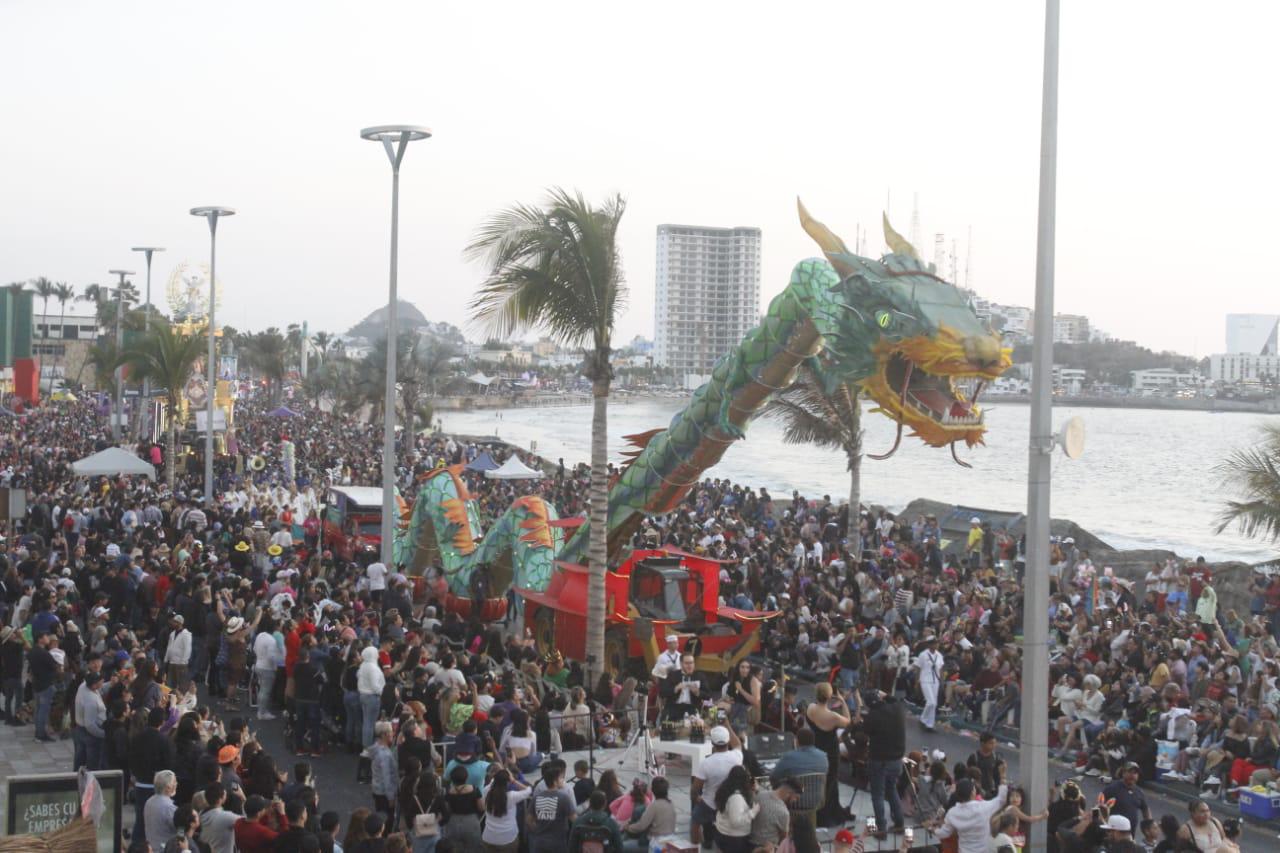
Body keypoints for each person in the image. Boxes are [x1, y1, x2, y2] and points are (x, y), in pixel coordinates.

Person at [804, 682, 850, 827]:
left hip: (815, 748)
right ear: (830, 696)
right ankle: (827, 814)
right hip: (831, 752)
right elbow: (848, 721)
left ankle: (820, 811)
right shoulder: (834, 717)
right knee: (831, 782)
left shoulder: (811, 708)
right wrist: (842, 701)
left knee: (819, 782)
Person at [862, 688, 906, 836]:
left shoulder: (872, 716)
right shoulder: (897, 708)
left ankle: (881, 828)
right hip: (896, 759)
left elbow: (865, 731)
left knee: (878, 795)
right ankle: (899, 823)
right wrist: (885, 694)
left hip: (879, 761)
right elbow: (895, 700)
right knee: (892, 790)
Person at [690, 725, 743, 847]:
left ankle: (695, 846)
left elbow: (695, 789)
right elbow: (738, 744)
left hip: (710, 804)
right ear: (728, 741)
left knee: (695, 821)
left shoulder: (706, 763)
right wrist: (727, 724)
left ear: (712, 743)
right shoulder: (736, 757)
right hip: (730, 802)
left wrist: (697, 799)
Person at [931, 777, 1008, 853]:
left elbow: (944, 833)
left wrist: (932, 829)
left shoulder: (953, 813)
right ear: (972, 793)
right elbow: (1001, 800)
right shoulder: (983, 807)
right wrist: (1002, 781)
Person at [528, 761, 576, 853]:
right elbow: (574, 819)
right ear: (555, 781)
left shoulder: (537, 798)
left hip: (540, 842)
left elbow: (529, 820)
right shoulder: (564, 798)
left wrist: (538, 830)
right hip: (558, 844)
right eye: (561, 778)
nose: (563, 780)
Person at [480, 767, 530, 852]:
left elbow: (493, 783)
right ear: (508, 782)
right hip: (508, 839)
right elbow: (528, 790)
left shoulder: (486, 791)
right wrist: (513, 780)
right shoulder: (511, 796)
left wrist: (498, 776)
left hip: (488, 837)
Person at [712, 766, 759, 853]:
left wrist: (754, 791)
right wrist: (753, 812)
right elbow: (736, 822)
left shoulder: (726, 789)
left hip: (724, 833)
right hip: (733, 839)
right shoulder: (736, 798)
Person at [621, 776, 674, 852]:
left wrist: (628, 827)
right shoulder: (670, 804)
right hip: (669, 840)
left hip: (656, 844)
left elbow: (641, 826)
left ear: (653, 790)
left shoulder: (654, 806)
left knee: (621, 846)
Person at [748, 776, 797, 852]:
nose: (795, 800)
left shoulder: (760, 795)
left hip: (750, 842)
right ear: (789, 793)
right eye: (796, 797)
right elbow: (783, 838)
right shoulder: (783, 812)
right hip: (769, 848)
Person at [1102, 762, 1151, 832]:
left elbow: (1145, 809)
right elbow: (1099, 806)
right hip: (1114, 833)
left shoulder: (1139, 792)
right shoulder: (1112, 789)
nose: (1132, 775)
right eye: (1130, 772)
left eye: (1135, 773)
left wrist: (1149, 826)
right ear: (1123, 773)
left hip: (1130, 834)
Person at [369, 721, 399, 827]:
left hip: (377, 789)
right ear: (384, 735)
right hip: (384, 793)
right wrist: (391, 797)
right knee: (387, 821)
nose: (393, 734)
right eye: (390, 732)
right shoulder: (385, 755)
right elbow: (386, 777)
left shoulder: (376, 749)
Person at [912, 636, 944, 731]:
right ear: (929, 644)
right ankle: (923, 719)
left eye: (937, 643)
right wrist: (916, 681)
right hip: (925, 680)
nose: (936, 645)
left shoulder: (939, 655)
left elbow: (941, 668)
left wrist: (941, 680)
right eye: (933, 643)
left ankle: (929, 724)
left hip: (935, 681)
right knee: (931, 702)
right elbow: (918, 668)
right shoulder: (923, 654)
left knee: (934, 704)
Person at [144, 770, 180, 853]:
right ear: (168, 787)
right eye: (174, 781)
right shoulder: (169, 807)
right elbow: (179, 826)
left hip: (151, 847)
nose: (176, 784)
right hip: (165, 849)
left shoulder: (149, 801)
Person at [661, 653, 704, 721]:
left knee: (695, 721)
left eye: (691, 663)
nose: (690, 666)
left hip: (691, 708)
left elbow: (708, 694)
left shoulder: (699, 676)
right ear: (681, 664)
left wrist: (697, 692)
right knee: (667, 720)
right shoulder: (673, 675)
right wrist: (675, 689)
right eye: (687, 663)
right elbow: (662, 692)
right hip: (674, 707)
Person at [199, 783, 240, 853]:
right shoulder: (225, 816)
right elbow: (248, 821)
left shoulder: (200, 814)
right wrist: (242, 797)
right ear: (220, 799)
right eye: (225, 794)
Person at [358, 647, 386, 749]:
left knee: (366, 722)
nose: (378, 655)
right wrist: (381, 692)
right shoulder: (373, 668)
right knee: (371, 723)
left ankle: (365, 746)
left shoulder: (363, 665)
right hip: (372, 697)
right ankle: (369, 747)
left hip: (363, 695)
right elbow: (375, 685)